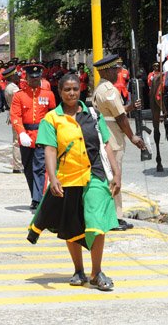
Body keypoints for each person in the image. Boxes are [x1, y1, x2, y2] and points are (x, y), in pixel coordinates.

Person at [27, 73, 119, 291]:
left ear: (81, 90)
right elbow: (49, 149)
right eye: (67, 89)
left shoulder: (94, 115)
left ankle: (96, 272)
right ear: (60, 92)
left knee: (96, 221)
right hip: (68, 177)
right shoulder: (52, 119)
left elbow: (106, 144)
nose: (71, 93)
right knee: (73, 224)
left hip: (95, 175)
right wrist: (53, 177)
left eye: (75, 89)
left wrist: (116, 172)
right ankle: (78, 269)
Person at [92, 54, 146, 231]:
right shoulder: (109, 90)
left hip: (108, 132)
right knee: (114, 177)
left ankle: (116, 216)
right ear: (107, 71)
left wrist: (129, 107)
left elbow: (117, 111)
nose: (119, 72)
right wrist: (133, 137)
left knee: (111, 176)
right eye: (116, 69)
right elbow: (120, 117)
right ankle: (114, 218)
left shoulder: (103, 88)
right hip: (112, 136)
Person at [11, 64, 57, 209]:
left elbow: (53, 113)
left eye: (38, 78)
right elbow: (15, 115)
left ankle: (39, 199)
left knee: (40, 168)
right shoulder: (19, 95)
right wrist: (21, 132)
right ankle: (35, 196)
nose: (35, 81)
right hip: (26, 135)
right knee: (28, 169)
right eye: (32, 78)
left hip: (42, 135)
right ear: (27, 78)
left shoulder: (48, 94)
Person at [3, 66, 23, 174]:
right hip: (17, 115)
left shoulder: (11, 86)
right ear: (12, 76)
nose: (18, 76)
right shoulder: (13, 88)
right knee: (17, 142)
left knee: (18, 141)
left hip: (14, 114)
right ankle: (17, 166)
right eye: (16, 75)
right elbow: (21, 100)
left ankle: (18, 165)